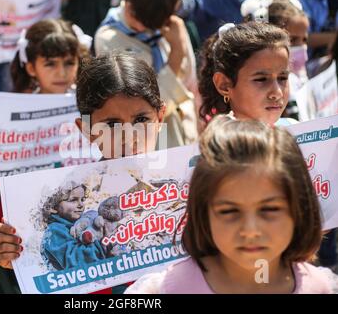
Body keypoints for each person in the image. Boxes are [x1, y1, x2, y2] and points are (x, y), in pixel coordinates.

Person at [0, 53, 166, 293]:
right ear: (86, 129)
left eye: (141, 119)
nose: (129, 135)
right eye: (112, 125)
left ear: (160, 117)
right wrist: (17, 255)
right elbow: (54, 263)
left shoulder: (188, 186)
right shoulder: (68, 200)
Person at [125, 115, 338, 294]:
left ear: (298, 210)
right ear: (203, 214)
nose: (250, 230)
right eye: (229, 211)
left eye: (269, 209)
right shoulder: (166, 289)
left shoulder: (319, 287)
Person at [95, 0, 198, 147]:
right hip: (152, 144)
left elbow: (191, 82)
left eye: (153, 24)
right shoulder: (108, 38)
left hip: (187, 133)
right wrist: (176, 53)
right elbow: (142, 105)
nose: (144, 27)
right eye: (137, 16)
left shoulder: (169, 24)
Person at [198, 21, 295, 126]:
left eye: (282, 78)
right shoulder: (218, 142)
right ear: (224, 85)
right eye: (261, 79)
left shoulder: (296, 131)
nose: (277, 93)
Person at [41, 182, 106, 270]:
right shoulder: (53, 232)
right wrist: (104, 240)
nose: (81, 205)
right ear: (53, 207)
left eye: (82, 199)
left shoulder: (79, 223)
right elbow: (79, 262)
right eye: (73, 200)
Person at [10, 19, 82, 94]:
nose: (62, 73)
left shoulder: (90, 102)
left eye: (69, 63)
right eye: (50, 64)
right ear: (31, 69)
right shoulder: (20, 104)